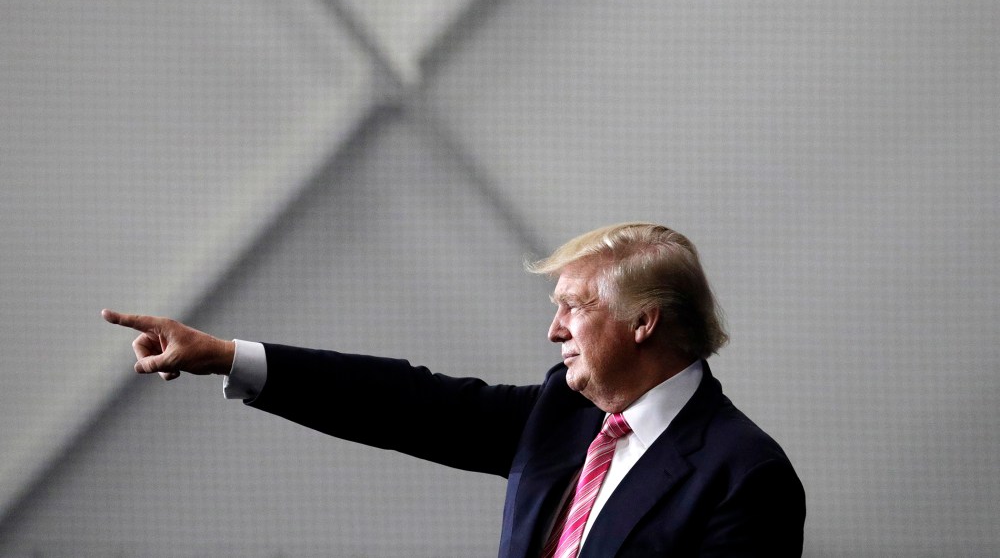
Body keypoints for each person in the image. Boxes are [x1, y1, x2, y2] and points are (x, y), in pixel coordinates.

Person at [103, 222, 805, 557]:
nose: (554, 331)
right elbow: (405, 403)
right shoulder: (562, 414)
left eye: (574, 307)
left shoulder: (745, 475)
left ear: (643, 322)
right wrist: (227, 356)